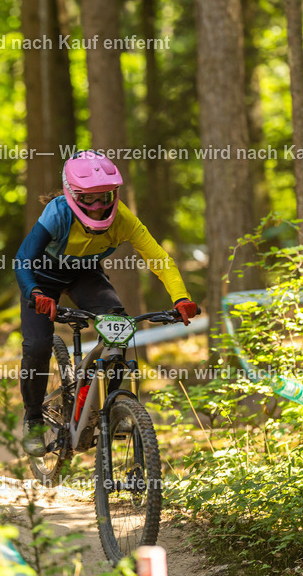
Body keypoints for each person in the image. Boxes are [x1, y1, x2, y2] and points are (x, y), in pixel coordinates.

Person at [14, 150, 199, 456]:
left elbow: (159, 259)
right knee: (36, 348)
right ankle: (33, 418)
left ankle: (113, 406)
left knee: (120, 327)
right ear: (73, 194)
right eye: (90, 199)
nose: (99, 207)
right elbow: (23, 259)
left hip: (84, 274)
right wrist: (34, 293)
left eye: (106, 197)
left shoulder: (123, 219)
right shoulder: (58, 213)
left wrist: (181, 297)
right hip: (41, 278)